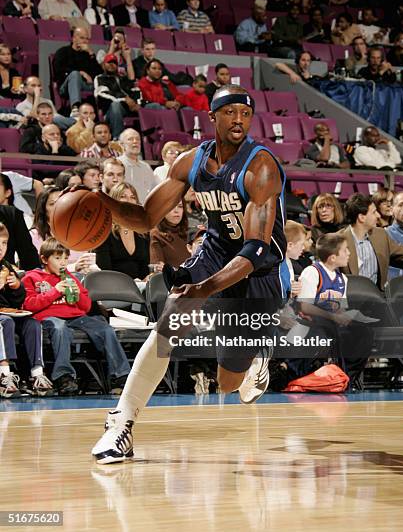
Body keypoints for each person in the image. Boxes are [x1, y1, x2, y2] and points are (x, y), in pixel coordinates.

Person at [89, 84, 288, 463]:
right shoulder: (190, 162)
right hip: (215, 252)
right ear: (211, 118)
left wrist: (204, 289)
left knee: (228, 384)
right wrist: (103, 203)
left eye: (245, 114)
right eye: (230, 112)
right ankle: (122, 424)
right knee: (170, 324)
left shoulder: (260, 166)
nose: (239, 120)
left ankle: (254, 358)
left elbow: (255, 249)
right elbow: (146, 218)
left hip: (258, 265)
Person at [22, 238, 130, 395]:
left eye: (65, 258)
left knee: (104, 328)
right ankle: (63, 376)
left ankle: (121, 375)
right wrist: (55, 291)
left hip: (76, 317)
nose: (63, 263)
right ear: (44, 259)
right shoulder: (32, 277)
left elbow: (85, 307)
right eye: (57, 258)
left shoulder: (70, 277)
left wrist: (78, 294)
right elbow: (29, 305)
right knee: (60, 329)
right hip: (49, 317)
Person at [0, 221, 54, 398]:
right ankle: (4, 374)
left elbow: (17, 301)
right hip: (2, 318)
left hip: (8, 312)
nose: (1, 248)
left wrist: (16, 287)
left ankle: (37, 374)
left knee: (32, 323)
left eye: (4, 243)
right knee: (4, 322)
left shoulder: (7, 267)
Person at [340, 193, 403, 290]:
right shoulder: (338, 241)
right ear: (361, 218)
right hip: (351, 298)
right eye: (374, 212)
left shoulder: (381, 235)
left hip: (378, 298)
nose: (378, 215)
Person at [95, 183, 150, 280]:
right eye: (123, 196)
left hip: (140, 288)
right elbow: (104, 269)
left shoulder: (143, 233)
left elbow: (144, 267)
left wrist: (146, 278)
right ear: (113, 201)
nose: (129, 201)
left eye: (132, 197)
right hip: (113, 287)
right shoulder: (104, 231)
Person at [53, 27, 102, 115]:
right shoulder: (63, 51)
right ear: (74, 38)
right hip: (66, 86)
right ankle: (75, 108)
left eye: (87, 39)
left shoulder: (88, 55)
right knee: (75, 74)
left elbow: (99, 73)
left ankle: (102, 115)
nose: (85, 41)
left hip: (86, 85)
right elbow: (58, 70)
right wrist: (81, 73)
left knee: (103, 83)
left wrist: (91, 53)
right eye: (82, 38)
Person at [94, 53, 140, 139]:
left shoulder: (122, 78)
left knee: (151, 106)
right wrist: (124, 99)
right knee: (116, 105)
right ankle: (118, 139)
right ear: (104, 65)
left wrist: (137, 103)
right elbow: (101, 94)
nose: (112, 65)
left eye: (114, 63)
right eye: (109, 62)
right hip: (109, 111)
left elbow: (134, 90)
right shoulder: (100, 78)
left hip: (127, 109)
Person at [118, 129, 156, 203]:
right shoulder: (117, 164)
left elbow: (153, 190)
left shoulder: (146, 166)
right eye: (130, 139)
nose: (135, 142)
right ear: (122, 144)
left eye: (138, 139)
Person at [150, 201, 190, 268]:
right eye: (171, 207)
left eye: (180, 206)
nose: (176, 211)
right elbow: (158, 269)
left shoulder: (190, 232)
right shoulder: (156, 234)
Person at [284, 220, 306, 298]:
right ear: (290, 245)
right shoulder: (276, 266)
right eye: (302, 244)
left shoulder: (288, 262)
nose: (304, 248)